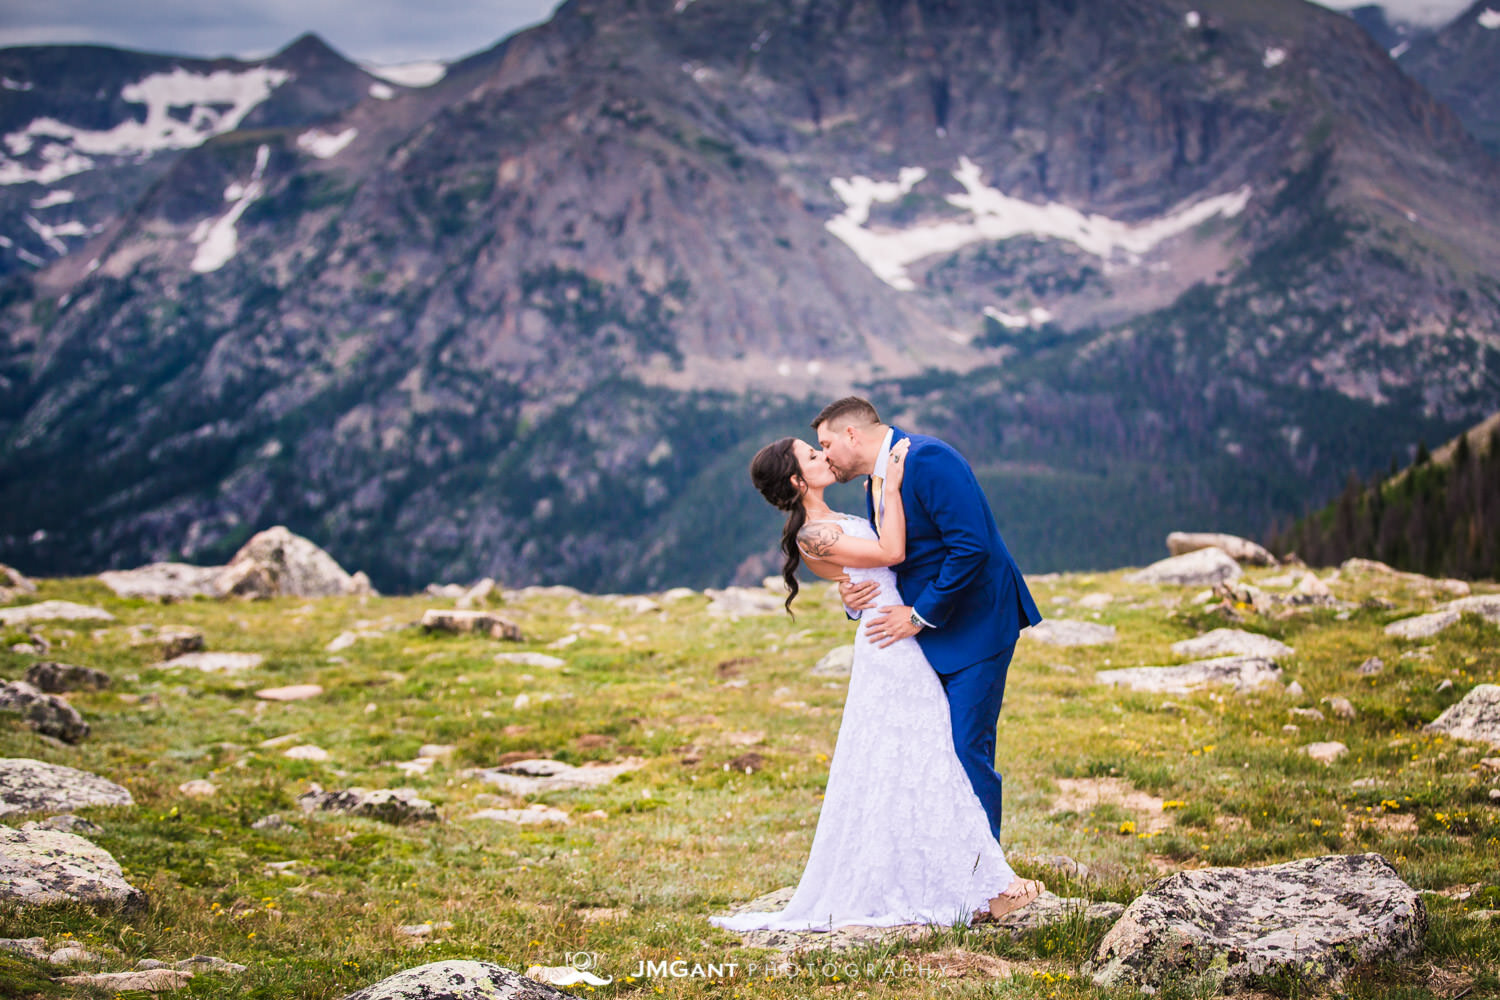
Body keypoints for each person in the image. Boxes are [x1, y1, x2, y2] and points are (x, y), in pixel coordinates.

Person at [707, 435, 1042, 933]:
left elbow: (870, 575)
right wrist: (890, 486)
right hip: (891, 647)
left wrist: (852, 590)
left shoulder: (828, 522)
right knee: (927, 756)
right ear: (799, 481)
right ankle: (977, 886)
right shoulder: (812, 534)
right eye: (812, 455)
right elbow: (891, 550)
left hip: (897, 635)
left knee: (923, 759)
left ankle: (958, 877)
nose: (824, 457)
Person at [813, 396, 1041, 843]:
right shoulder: (877, 480)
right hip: (929, 636)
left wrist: (919, 616)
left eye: (826, 444)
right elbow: (896, 558)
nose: (825, 457)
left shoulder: (928, 458)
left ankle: (984, 879)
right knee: (933, 751)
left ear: (852, 434)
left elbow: (971, 546)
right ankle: (948, 866)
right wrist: (854, 594)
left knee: (966, 749)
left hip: (977, 625)